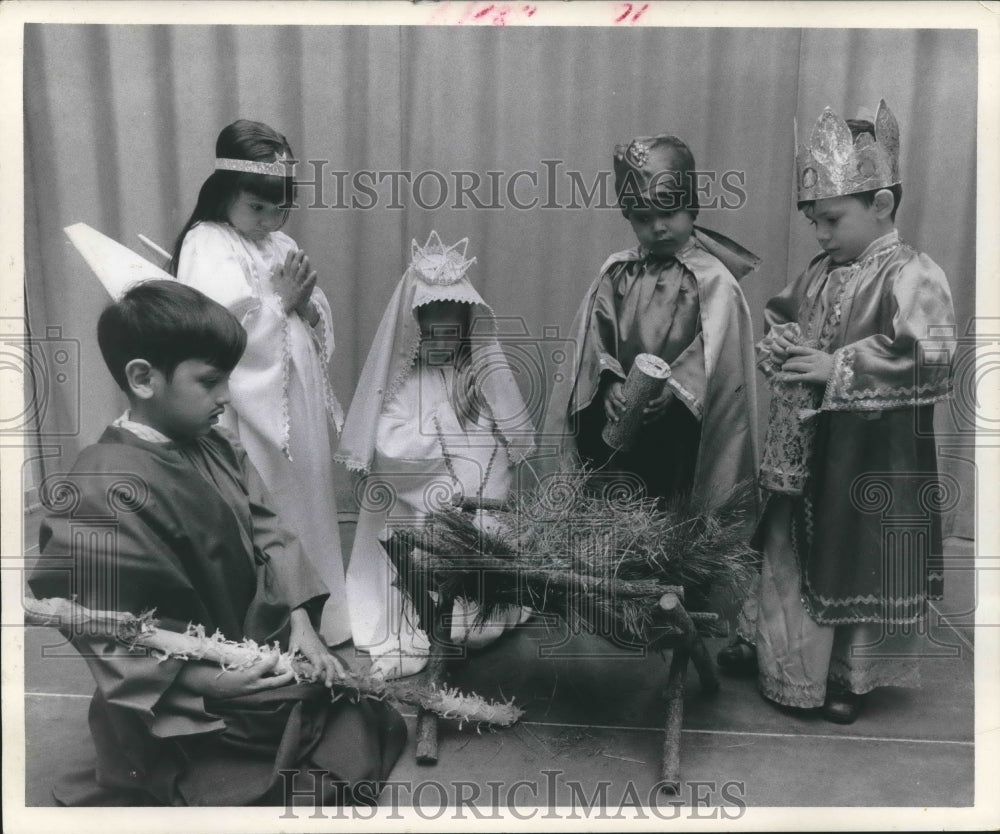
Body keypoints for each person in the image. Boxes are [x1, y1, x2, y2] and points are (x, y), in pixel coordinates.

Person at [28, 281, 406, 806]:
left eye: (227, 378)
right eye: (209, 381)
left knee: (348, 705)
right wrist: (202, 683)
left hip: (249, 645)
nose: (227, 396)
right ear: (143, 379)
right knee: (280, 763)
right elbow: (97, 621)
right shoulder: (98, 483)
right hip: (178, 690)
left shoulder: (218, 443)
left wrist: (301, 622)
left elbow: (270, 529)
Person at [743, 100, 955, 724]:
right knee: (792, 547)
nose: (820, 234)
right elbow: (784, 315)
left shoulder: (913, 272)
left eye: (831, 219)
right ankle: (784, 663)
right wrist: (780, 341)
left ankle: (846, 676)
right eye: (814, 221)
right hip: (807, 450)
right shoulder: (819, 272)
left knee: (853, 556)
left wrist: (839, 367)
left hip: (872, 454)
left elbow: (930, 354)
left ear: (881, 206)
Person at [172, 119, 349, 646]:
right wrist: (283, 304)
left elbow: (314, 309)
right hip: (248, 406)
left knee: (306, 497)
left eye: (281, 208)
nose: (270, 219)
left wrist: (312, 313)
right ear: (227, 192)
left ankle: (323, 614)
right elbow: (215, 329)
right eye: (257, 207)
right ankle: (272, 622)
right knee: (264, 500)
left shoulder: (279, 242)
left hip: (294, 398)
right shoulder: (207, 243)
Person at [336, 232, 534, 679]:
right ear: (415, 330)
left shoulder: (479, 376)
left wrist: (478, 452)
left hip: (473, 515)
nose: (442, 343)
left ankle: (479, 601)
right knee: (430, 605)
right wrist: (447, 421)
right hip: (418, 515)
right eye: (432, 332)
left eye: (453, 332)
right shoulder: (403, 381)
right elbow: (387, 449)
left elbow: (494, 454)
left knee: (477, 627)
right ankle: (426, 610)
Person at [544, 134, 760, 510]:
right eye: (644, 218)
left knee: (668, 507)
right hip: (620, 417)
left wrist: (674, 389)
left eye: (669, 212)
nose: (658, 227)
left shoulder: (712, 281)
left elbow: (716, 352)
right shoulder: (618, 273)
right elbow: (595, 336)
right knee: (614, 497)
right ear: (629, 218)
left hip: (678, 427)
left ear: (692, 208)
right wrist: (608, 381)